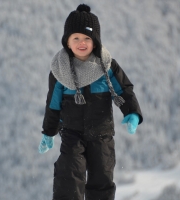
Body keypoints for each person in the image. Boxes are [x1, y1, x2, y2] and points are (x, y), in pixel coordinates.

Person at [38, 4, 143, 200]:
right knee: (69, 173)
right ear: (67, 42)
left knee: (102, 177)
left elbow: (124, 90)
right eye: (76, 38)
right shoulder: (60, 70)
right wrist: (49, 132)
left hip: (102, 134)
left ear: (95, 42)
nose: (82, 43)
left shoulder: (106, 65)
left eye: (87, 38)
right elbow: (53, 103)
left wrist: (132, 112)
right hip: (71, 134)